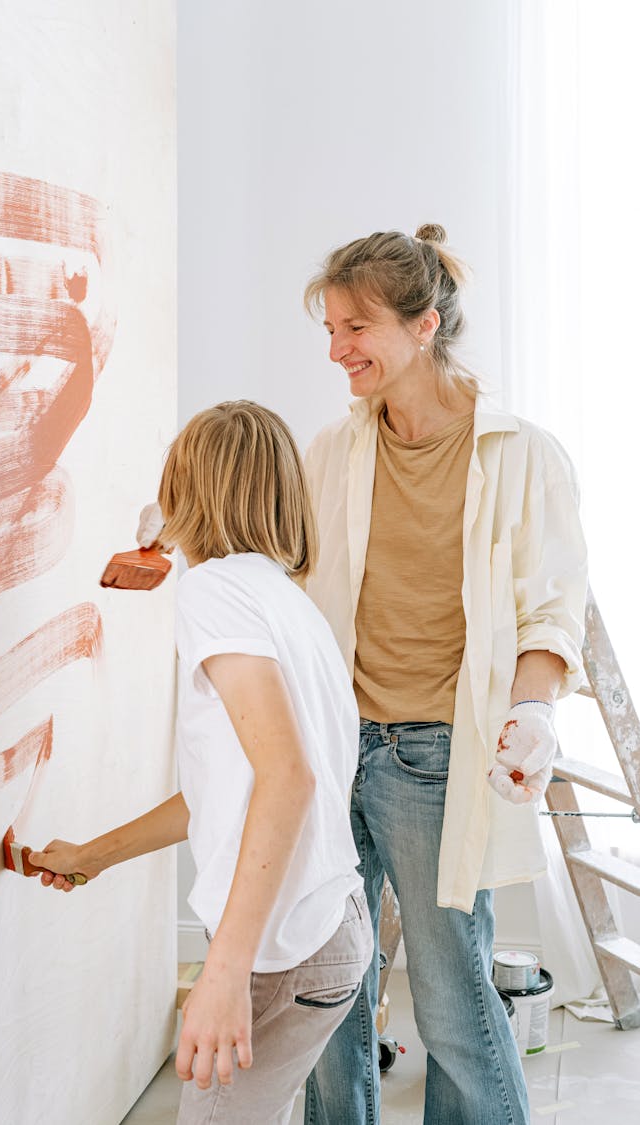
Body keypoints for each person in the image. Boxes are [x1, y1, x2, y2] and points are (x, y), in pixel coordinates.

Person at [300, 225, 588, 1125]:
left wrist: (534, 711)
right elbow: (283, 569)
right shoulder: (336, 451)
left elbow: (550, 609)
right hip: (332, 740)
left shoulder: (520, 454)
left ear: (424, 325)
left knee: (453, 1003)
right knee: (324, 992)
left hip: (436, 756)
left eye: (358, 327)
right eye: (331, 329)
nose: (339, 348)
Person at [29, 401, 373, 1125]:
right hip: (330, 925)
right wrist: (94, 854)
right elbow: (223, 793)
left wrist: (224, 971)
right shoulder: (291, 607)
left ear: (189, 491)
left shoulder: (213, 591)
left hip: (284, 947)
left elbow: (288, 779)